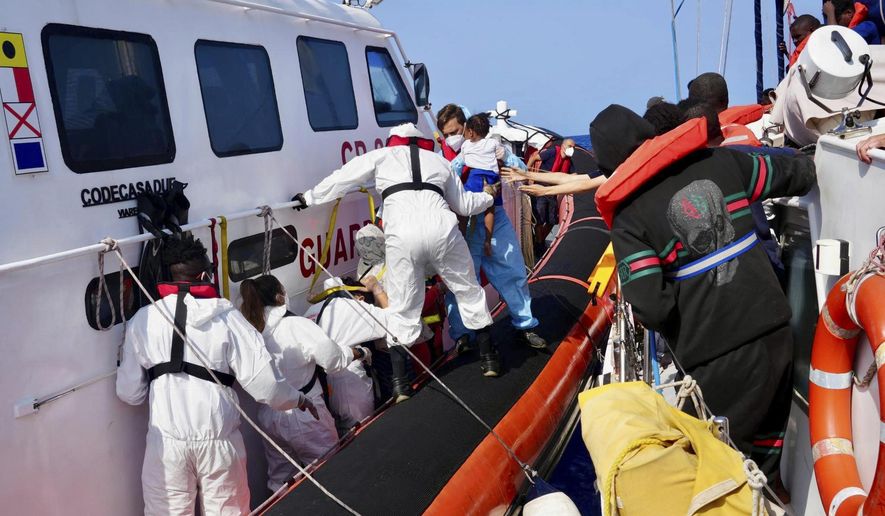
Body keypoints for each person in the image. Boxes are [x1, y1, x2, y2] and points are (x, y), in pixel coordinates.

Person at [590, 104, 816, 485]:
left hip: (719, 359)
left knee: (727, 471)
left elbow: (651, 306)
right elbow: (795, 173)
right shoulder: (721, 161)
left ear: (610, 166)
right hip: (777, 333)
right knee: (769, 456)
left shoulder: (629, 219)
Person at [293, 122, 501, 394]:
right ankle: (489, 360)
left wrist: (308, 197)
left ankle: (401, 386)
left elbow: (343, 178)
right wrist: (487, 197)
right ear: (420, 141)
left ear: (394, 140)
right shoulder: (440, 161)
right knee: (468, 292)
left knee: (402, 308)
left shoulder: (380, 156)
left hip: (402, 237)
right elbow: (464, 205)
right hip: (443, 230)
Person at [116, 234, 313, 515]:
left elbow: (130, 394)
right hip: (219, 444)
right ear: (206, 275)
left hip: (165, 445)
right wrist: (299, 400)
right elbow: (267, 388)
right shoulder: (228, 318)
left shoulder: (142, 320)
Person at [239, 274, 371, 491]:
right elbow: (332, 360)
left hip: (268, 415)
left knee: (282, 480)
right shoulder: (296, 325)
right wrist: (358, 352)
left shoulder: (251, 331)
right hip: (304, 412)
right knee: (329, 470)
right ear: (279, 296)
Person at [436, 106, 548, 352]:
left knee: (512, 270)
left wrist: (506, 158)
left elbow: (519, 168)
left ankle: (525, 324)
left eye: (455, 132)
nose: (451, 138)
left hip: (494, 218)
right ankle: (463, 336)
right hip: (462, 224)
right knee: (459, 281)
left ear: (466, 128)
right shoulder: (443, 160)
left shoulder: (490, 147)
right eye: (446, 135)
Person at [304, 276, 390, 428]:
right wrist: (377, 289)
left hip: (328, 383)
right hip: (352, 381)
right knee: (364, 430)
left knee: (347, 432)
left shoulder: (311, 311)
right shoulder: (349, 305)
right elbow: (391, 320)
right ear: (358, 296)